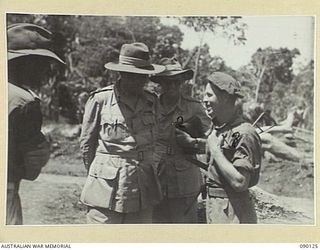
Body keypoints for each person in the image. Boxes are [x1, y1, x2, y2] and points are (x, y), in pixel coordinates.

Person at [80, 42, 165, 224]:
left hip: (143, 185)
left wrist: (150, 165)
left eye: (144, 76)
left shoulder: (152, 101)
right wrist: (99, 172)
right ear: (122, 74)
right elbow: (87, 143)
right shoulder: (100, 99)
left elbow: (158, 140)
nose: (141, 81)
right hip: (106, 187)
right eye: (135, 76)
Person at [7, 23, 65, 225]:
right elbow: (31, 166)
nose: (47, 70)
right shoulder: (24, 102)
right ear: (26, 63)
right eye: (42, 63)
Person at [150, 57, 211, 223]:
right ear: (160, 83)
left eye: (176, 82)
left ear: (182, 83)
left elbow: (214, 141)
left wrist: (193, 142)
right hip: (154, 177)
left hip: (184, 178)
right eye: (167, 82)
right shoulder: (149, 106)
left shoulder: (194, 107)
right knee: (155, 231)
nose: (171, 86)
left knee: (184, 231)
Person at [204, 72, 262, 224]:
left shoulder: (245, 133)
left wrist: (215, 150)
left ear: (224, 98)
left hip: (233, 212)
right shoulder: (219, 129)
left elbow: (240, 182)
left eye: (209, 95)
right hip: (216, 206)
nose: (204, 100)